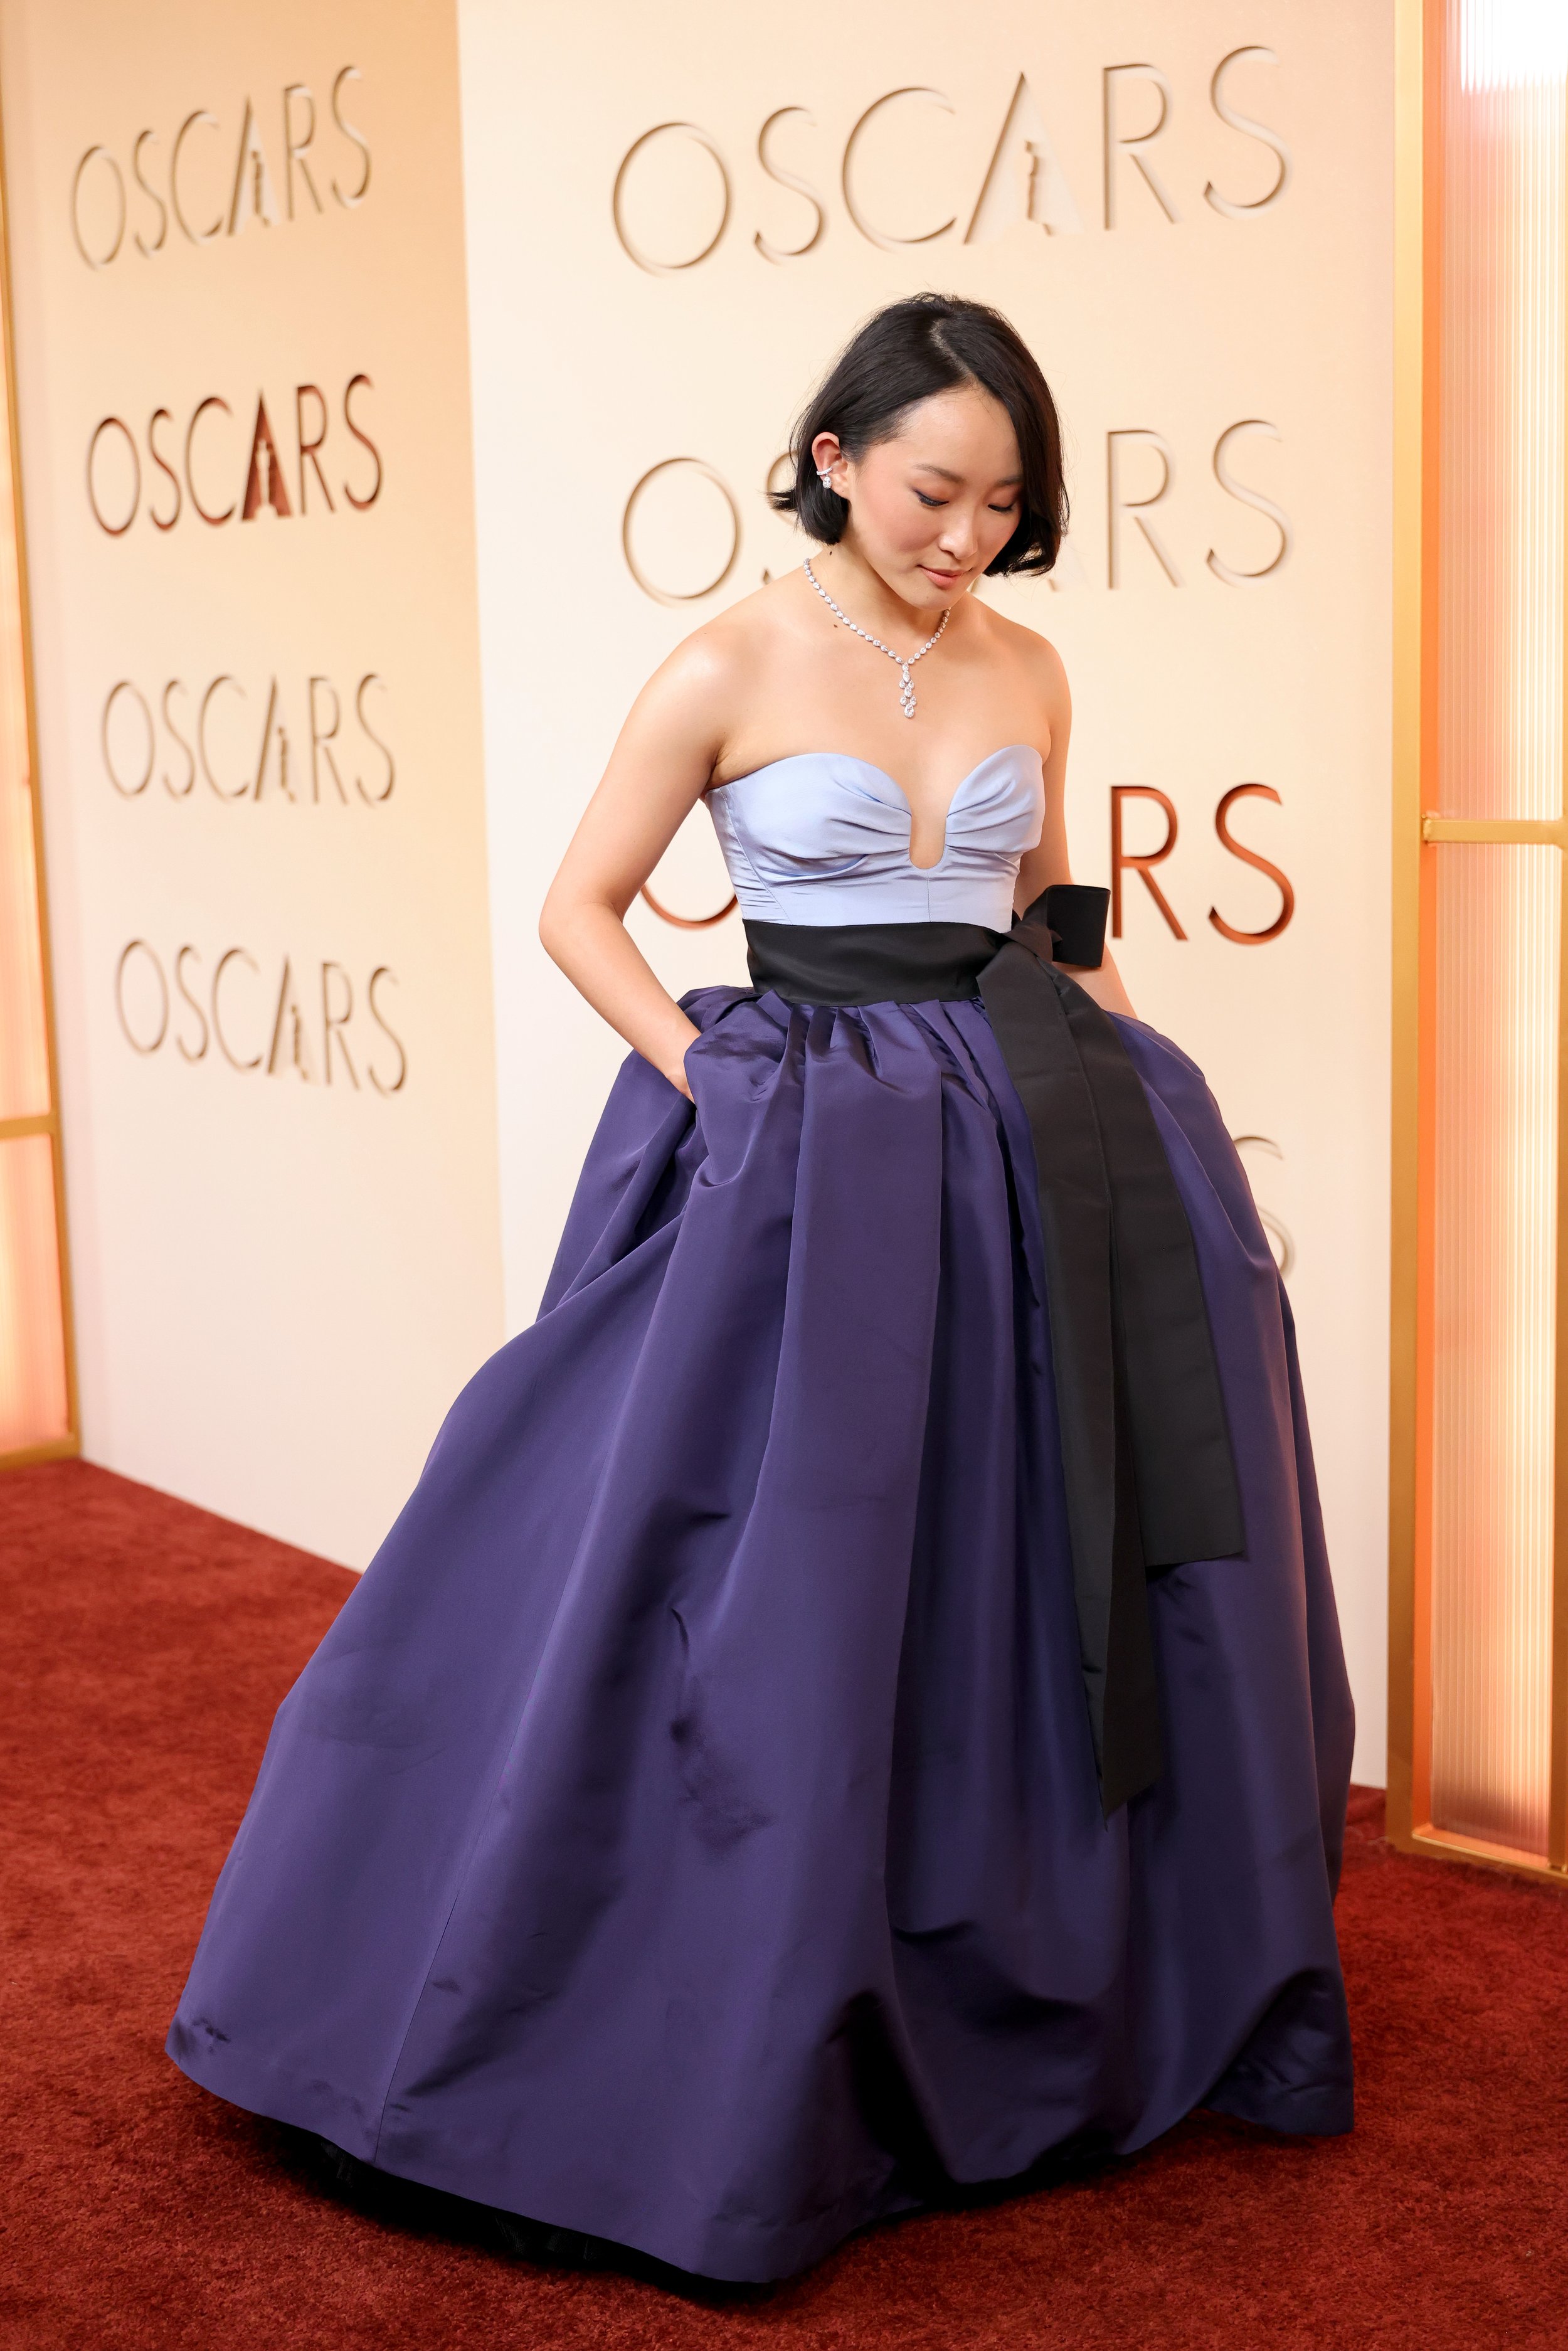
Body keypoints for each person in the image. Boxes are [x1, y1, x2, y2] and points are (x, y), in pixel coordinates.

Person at [168, 294, 1355, 2286]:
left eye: (999, 500)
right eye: (929, 489)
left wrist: (1184, 1141)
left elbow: (1057, 928)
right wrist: (704, 1067)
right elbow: (579, 902)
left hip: (1022, 1139)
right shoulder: (726, 655)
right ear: (833, 457)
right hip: (811, 1145)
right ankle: (709, 2020)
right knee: (773, 1576)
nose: (962, 534)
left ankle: (1040, 1973)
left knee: (1010, 1554)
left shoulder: (1032, 670)